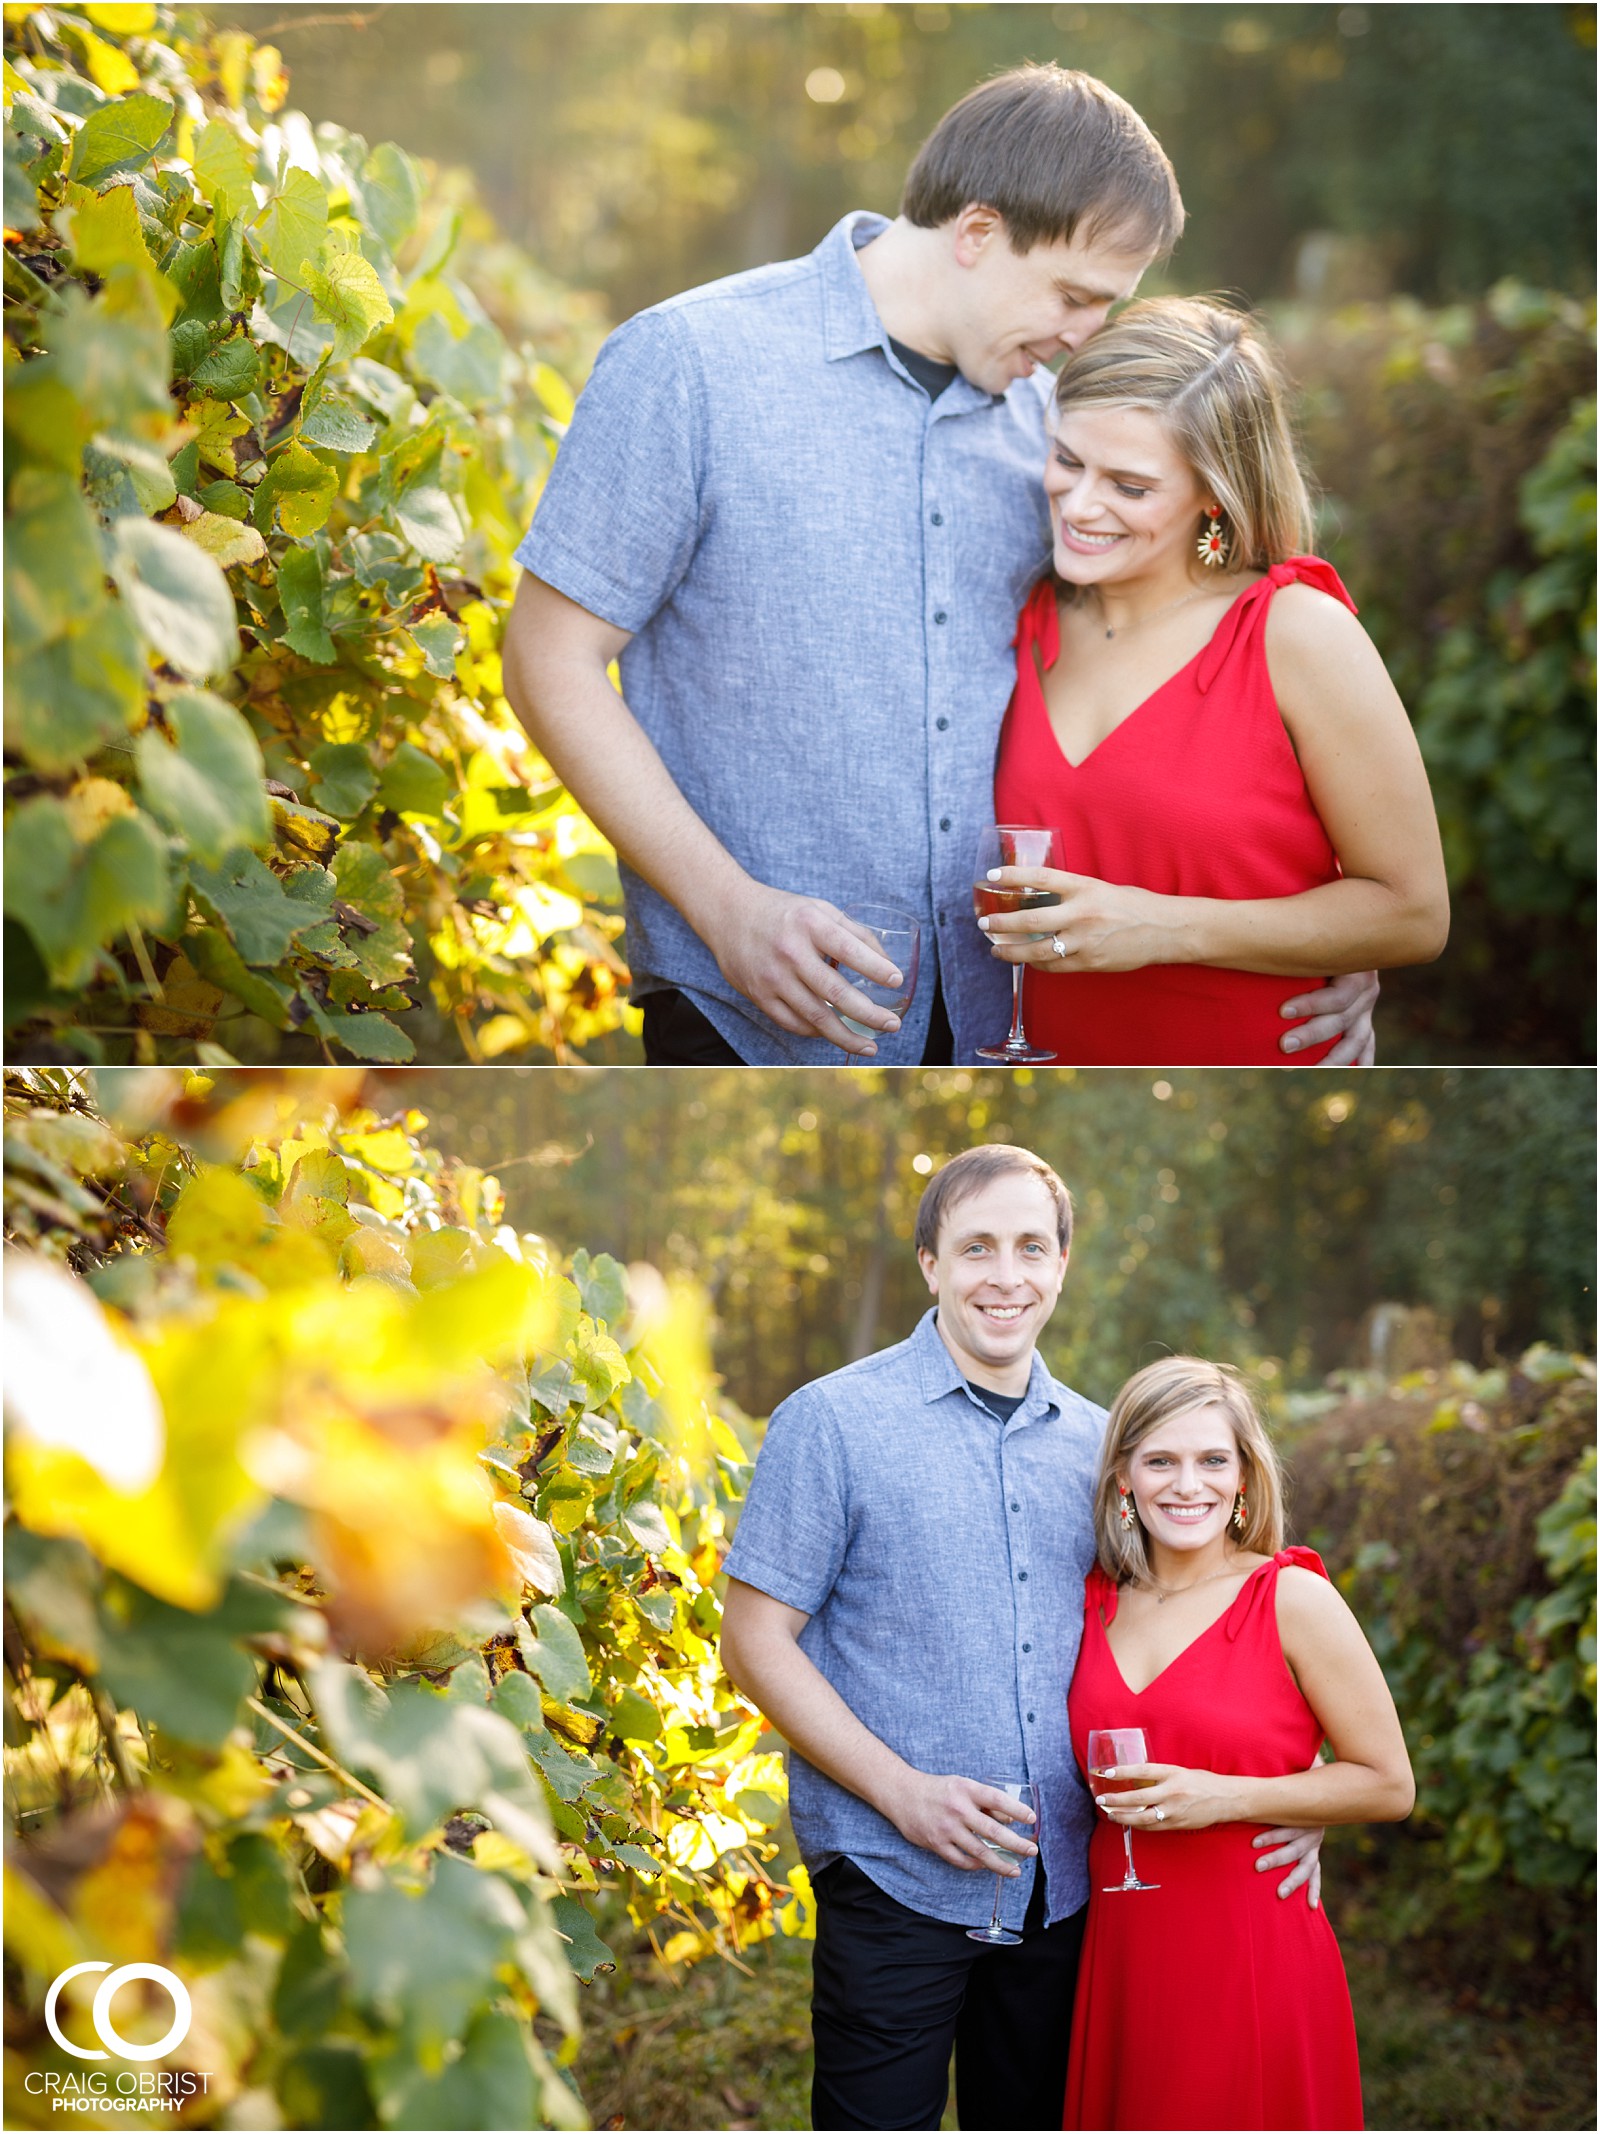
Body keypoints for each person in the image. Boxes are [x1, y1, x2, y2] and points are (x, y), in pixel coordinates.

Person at [501, 67, 1381, 1067]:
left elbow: (1177, 679)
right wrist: (726, 909)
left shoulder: (1056, 440)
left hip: (994, 1028)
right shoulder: (689, 363)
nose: (1085, 336)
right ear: (974, 234)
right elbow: (546, 659)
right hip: (746, 1021)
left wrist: (1324, 933)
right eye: (1073, 295)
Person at [718, 1146, 1323, 2133]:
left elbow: (1197, 1625)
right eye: (976, 1247)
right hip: (891, 1875)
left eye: (1030, 1247)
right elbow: (753, 1641)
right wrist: (901, 1792)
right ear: (929, 1263)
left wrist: (1296, 1797)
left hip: (1068, 1890)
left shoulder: (1101, 1451)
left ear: (1061, 1264)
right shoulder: (833, 1422)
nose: (1005, 1275)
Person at [976, 297, 1449, 1064]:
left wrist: (1161, 926)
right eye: (1068, 459)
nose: (1081, 503)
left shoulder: (1297, 634)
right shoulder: (1025, 616)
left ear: (1213, 496)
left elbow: (1415, 915)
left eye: (1130, 486)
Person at [1064, 1355, 1414, 2130]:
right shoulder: (1091, 1601)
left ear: (1245, 1477)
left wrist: (1231, 1797)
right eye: (1161, 1460)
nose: (1188, 1485)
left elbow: (1390, 1783)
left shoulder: (1291, 1596)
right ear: (1123, 1476)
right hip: (1123, 1947)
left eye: (1212, 1460)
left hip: (1250, 1943)